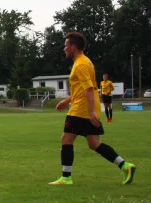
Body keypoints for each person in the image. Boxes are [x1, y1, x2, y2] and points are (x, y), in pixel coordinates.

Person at [50, 32, 135, 185]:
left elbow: (89, 89)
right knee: (94, 143)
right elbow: (86, 88)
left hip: (81, 110)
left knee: (66, 139)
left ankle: (66, 177)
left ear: (73, 47)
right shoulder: (85, 62)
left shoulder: (81, 64)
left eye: (66, 45)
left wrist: (90, 113)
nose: (64, 48)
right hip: (87, 107)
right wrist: (66, 100)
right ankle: (125, 165)